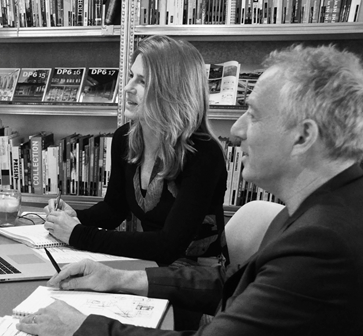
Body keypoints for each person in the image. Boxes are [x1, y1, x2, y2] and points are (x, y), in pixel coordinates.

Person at [18, 44, 363, 336]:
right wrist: (119, 278)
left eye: (252, 114)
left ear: (303, 137)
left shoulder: (323, 242)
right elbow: (229, 285)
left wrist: (81, 328)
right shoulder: (328, 209)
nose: (236, 130)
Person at [44, 35, 227, 267]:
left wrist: (77, 234)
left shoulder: (204, 153)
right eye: (131, 76)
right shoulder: (125, 138)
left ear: (172, 91)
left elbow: (168, 246)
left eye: (142, 81)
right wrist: (75, 217)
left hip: (198, 273)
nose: (127, 88)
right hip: (150, 265)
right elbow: (114, 210)